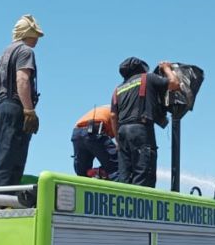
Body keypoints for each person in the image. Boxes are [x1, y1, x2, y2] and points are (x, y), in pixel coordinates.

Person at [0, 15, 43, 187]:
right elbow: (22, 79)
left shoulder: (4, 53)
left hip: (1, 106)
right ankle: (1, 200)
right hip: (16, 107)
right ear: (27, 33)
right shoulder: (25, 51)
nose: (37, 39)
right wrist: (29, 110)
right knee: (11, 156)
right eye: (35, 34)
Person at [111, 57, 180, 187]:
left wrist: (118, 142)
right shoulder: (147, 78)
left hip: (122, 133)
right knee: (143, 175)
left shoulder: (118, 89)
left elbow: (113, 115)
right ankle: (140, 205)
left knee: (124, 178)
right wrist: (166, 68)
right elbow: (174, 84)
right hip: (140, 130)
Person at [71, 105, 119, 179]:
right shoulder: (120, 112)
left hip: (76, 133)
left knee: (82, 174)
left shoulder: (104, 109)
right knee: (116, 167)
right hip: (95, 130)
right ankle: (117, 188)